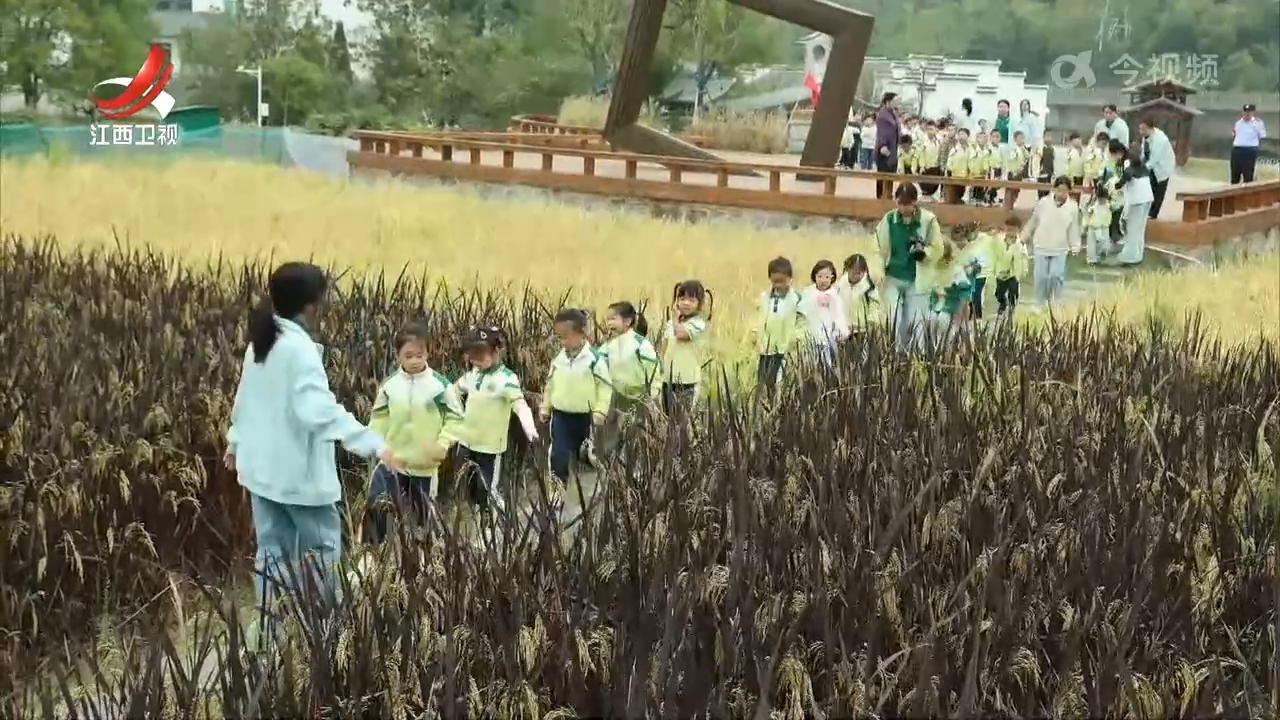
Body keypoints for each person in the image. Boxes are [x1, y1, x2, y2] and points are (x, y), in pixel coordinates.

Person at [224, 262, 398, 622]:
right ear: (310, 306)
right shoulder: (298, 351)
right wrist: (373, 443)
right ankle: (321, 633)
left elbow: (245, 398)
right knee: (321, 550)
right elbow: (318, 411)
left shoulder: (264, 339)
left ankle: (269, 634)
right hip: (299, 478)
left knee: (272, 553)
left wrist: (235, 442)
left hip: (262, 473)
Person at [364, 321, 464, 544]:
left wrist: (443, 443)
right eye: (408, 356)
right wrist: (379, 446)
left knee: (423, 519)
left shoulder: (440, 386)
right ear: (398, 355)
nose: (415, 361)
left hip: (424, 468)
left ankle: (423, 559)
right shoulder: (389, 386)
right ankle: (372, 556)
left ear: (428, 352)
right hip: (392, 463)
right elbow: (378, 418)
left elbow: (456, 418)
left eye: (420, 355)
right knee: (377, 510)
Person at [452, 324, 539, 519]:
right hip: (466, 441)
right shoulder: (472, 375)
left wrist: (529, 427)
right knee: (468, 485)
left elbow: (519, 404)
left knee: (486, 489)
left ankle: (493, 525)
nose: (475, 359)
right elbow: (454, 390)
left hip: (490, 447)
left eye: (480, 354)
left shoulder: (506, 379)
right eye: (471, 354)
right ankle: (481, 513)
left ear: (498, 350)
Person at [540, 308, 612, 489]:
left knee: (590, 455)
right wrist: (545, 407)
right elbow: (550, 385)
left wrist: (600, 411)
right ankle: (557, 489)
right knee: (558, 453)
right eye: (560, 337)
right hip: (561, 415)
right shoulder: (558, 360)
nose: (563, 341)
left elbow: (604, 386)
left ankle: (604, 484)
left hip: (586, 416)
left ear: (583, 333)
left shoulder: (594, 359)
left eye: (567, 336)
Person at [875, 183, 943, 352]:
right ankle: (895, 354)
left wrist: (924, 253)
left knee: (916, 319)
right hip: (893, 276)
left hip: (917, 277)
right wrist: (878, 270)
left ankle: (916, 355)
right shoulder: (889, 219)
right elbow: (878, 248)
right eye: (900, 203)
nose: (904, 207)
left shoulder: (928, 220)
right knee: (894, 317)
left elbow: (938, 248)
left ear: (915, 202)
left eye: (907, 204)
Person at [598, 301, 657, 454]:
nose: (609, 322)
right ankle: (613, 466)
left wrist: (652, 396)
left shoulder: (641, 344)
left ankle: (632, 468)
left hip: (638, 399)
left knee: (634, 434)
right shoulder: (610, 345)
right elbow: (596, 360)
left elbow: (654, 371)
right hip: (617, 397)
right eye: (608, 319)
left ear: (627, 321)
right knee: (614, 433)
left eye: (613, 318)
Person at [1020, 176, 1081, 309]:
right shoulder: (1044, 203)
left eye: (1065, 191)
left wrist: (1075, 245)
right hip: (1041, 244)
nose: (1061, 194)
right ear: (1054, 189)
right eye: (1059, 190)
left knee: (1056, 275)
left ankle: (1056, 301)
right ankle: (1039, 302)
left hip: (1060, 247)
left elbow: (1074, 228)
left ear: (1069, 191)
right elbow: (1033, 221)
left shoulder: (1072, 207)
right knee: (1041, 277)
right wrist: (1023, 237)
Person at [749, 258, 805, 392]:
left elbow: (802, 322)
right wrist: (755, 334)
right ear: (770, 278)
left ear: (790, 278)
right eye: (775, 281)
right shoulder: (764, 297)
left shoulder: (796, 298)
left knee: (779, 381)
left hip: (784, 348)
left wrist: (796, 338)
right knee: (762, 381)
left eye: (782, 281)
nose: (778, 285)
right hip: (765, 347)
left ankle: (779, 406)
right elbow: (758, 317)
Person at [658, 280, 712, 414]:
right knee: (668, 417)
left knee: (682, 421)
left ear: (699, 304)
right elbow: (664, 346)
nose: (686, 303)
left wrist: (675, 319)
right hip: (669, 380)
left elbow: (681, 334)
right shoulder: (671, 324)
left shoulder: (698, 324)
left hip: (688, 381)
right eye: (682, 299)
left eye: (691, 300)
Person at [1110, 139, 1154, 266]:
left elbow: (1120, 183)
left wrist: (1114, 185)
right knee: (1140, 229)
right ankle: (1137, 254)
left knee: (1133, 229)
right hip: (1147, 199)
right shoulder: (1144, 166)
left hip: (1138, 200)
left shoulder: (1130, 169)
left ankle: (1129, 257)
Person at [800, 259, 850, 368]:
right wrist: (814, 300)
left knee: (827, 363)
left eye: (827, 277)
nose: (823, 280)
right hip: (811, 333)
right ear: (815, 276)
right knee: (810, 363)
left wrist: (840, 331)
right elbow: (802, 310)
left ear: (832, 277)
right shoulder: (808, 292)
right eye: (820, 276)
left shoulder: (835, 295)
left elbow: (839, 314)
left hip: (828, 335)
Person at [928, 241, 974, 352]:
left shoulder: (956, 271)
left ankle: (946, 355)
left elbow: (965, 296)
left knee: (944, 325)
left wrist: (958, 317)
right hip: (935, 307)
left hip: (950, 309)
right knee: (932, 322)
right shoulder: (932, 269)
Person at [992, 215, 1030, 317]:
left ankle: (1011, 311)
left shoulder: (1020, 244)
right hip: (1001, 272)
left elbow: (1024, 259)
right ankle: (1002, 303)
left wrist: (1023, 272)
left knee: (1013, 293)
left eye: (1013, 229)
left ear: (1018, 230)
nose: (1010, 231)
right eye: (1008, 229)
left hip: (1013, 274)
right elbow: (994, 254)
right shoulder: (999, 240)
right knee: (998, 293)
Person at [836, 253, 880, 335]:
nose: (856, 274)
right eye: (853, 270)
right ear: (847, 269)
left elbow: (874, 307)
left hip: (861, 331)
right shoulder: (840, 283)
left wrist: (871, 323)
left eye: (859, 272)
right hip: (843, 329)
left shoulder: (869, 288)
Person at [1230, 103, 1266, 185]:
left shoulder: (1258, 123)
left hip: (1249, 150)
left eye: (1249, 112)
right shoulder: (1238, 123)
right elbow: (1234, 135)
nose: (1247, 114)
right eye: (1245, 111)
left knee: (1248, 176)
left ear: (1253, 112)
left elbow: (1262, 137)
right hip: (1237, 150)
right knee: (1235, 175)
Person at [875, 92, 902, 199]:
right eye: (894, 101)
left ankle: (888, 195)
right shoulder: (882, 115)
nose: (896, 103)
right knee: (882, 174)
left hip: (893, 147)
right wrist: (882, 146)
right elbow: (881, 131)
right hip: (884, 148)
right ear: (888, 102)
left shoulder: (894, 114)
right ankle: (880, 196)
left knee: (891, 173)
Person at [916, 120, 943, 198]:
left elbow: (941, 154)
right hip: (925, 169)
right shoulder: (922, 141)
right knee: (924, 190)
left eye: (931, 129)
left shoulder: (940, 141)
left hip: (935, 168)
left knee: (934, 189)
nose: (930, 131)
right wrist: (922, 166)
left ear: (935, 130)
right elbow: (920, 154)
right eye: (928, 129)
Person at [1004, 130, 1030, 207]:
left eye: (1023, 138)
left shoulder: (1023, 149)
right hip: (1013, 173)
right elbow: (1010, 160)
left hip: (1019, 173)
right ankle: (1007, 206)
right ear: (1015, 139)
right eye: (1020, 138)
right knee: (1010, 190)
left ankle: (1012, 204)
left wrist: (1024, 149)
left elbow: (1028, 156)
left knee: (1016, 190)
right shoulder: (1013, 149)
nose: (1022, 140)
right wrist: (1012, 171)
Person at [946, 127, 972, 204]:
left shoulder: (971, 149)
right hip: (955, 176)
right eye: (959, 134)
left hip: (967, 177)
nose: (961, 136)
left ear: (968, 136)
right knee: (955, 196)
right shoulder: (954, 149)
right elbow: (949, 162)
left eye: (963, 134)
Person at [1033, 131, 1056, 199]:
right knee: (1041, 190)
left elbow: (1053, 161)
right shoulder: (1040, 148)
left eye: (1050, 136)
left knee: (1047, 191)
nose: (1049, 138)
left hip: (1049, 173)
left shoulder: (1052, 149)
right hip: (1042, 172)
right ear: (1043, 137)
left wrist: (1053, 172)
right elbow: (1036, 161)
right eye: (1047, 136)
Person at [1064, 132, 1086, 200]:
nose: (1078, 142)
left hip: (1081, 176)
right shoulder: (1070, 151)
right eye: (1076, 140)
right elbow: (1066, 165)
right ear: (1072, 142)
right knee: (1071, 193)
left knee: (1079, 193)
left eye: (1079, 140)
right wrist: (1067, 176)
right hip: (1072, 176)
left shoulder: (1084, 151)